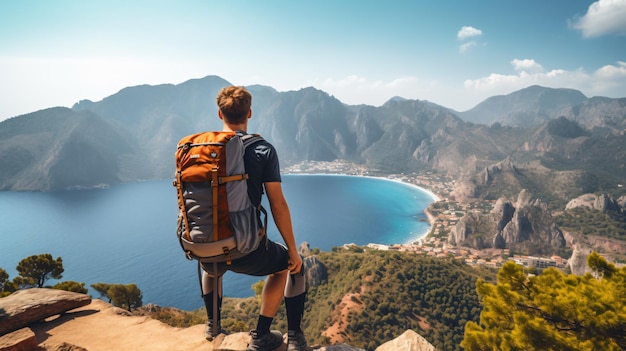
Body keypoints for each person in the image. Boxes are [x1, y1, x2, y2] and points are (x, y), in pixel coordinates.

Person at [200, 85, 308, 351]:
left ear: (219, 114)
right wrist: (293, 251)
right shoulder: (262, 150)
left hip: (205, 249)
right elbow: (277, 204)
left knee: (210, 262)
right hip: (248, 250)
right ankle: (272, 335)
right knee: (288, 265)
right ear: (249, 113)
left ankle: (213, 325)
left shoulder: (203, 149)